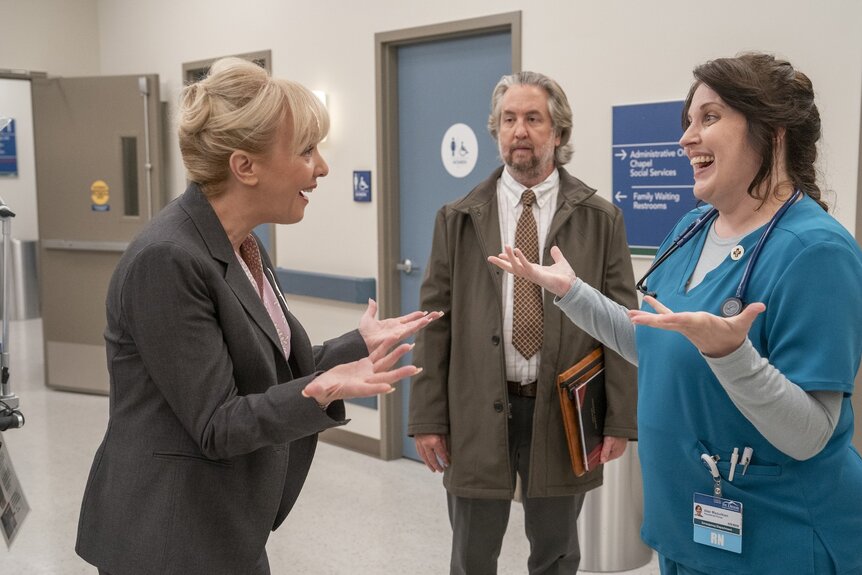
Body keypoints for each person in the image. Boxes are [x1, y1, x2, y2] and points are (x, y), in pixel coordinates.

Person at [490, 53, 862, 575]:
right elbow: (655, 341)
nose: (686, 138)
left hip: (779, 536)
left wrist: (731, 354)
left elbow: (810, 433)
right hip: (688, 525)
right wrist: (573, 293)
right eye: (688, 122)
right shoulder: (692, 227)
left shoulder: (816, 252)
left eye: (708, 118)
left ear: (773, 133)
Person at [75, 57, 441, 575]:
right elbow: (217, 423)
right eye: (307, 151)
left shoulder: (242, 245)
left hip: (223, 523)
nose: (322, 168)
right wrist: (323, 390)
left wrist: (353, 346)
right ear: (245, 166)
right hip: (168, 535)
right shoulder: (168, 259)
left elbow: (261, 369)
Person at [408, 71, 639, 574]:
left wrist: (620, 419)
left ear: (558, 132)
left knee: (557, 552)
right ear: (495, 131)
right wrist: (427, 418)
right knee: (472, 553)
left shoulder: (600, 219)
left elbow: (622, 324)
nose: (519, 130)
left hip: (564, 411)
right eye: (508, 119)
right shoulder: (459, 217)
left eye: (533, 118)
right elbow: (434, 321)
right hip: (476, 408)